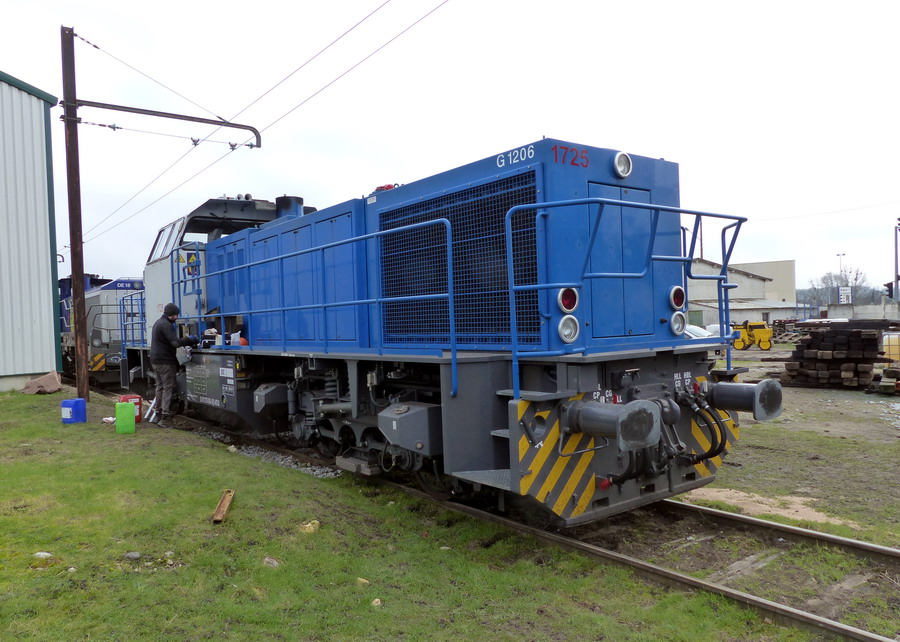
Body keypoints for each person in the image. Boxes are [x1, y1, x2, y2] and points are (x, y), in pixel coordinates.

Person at [149, 303, 198, 428]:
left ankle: (158, 414)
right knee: (168, 387)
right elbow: (175, 343)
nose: (176, 317)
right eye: (175, 315)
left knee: (160, 387)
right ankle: (165, 418)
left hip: (155, 360)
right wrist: (189, 339)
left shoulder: (158, 323)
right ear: (171, 314)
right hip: (165, 361)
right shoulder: (166, 325)